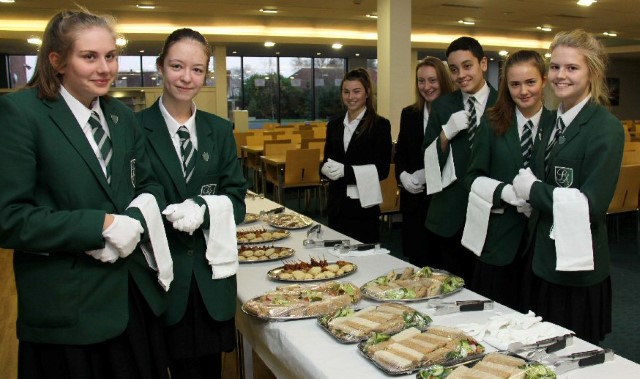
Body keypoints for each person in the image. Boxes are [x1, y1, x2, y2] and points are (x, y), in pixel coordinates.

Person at [0, 9, 170, 379]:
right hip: (69, 311)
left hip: (132, 298)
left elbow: (149, 186)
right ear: (57, 61)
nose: (105, 68)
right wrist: (100, 226)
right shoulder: (21, 113)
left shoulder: (122, 117)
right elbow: (9, 217)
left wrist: (133, 223)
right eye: (89, 57)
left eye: (110, 56)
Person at [136, 28, 247, 379]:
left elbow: (237, 201)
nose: (186, 78)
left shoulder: (218, 129)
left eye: (197, 69)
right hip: (160, 281)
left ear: (206, 74)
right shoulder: (134, 128)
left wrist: (204, 208)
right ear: (160, 67)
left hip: (210, 282)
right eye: (177, 66)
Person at [512, 29, 623, 343]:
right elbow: (537, 173)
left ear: (592, 73)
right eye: (556, 67)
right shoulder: (551, 119)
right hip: (541, 257)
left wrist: (532, 190)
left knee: (571, 354)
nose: (560, 75)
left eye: (572, 68)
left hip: (577, 268)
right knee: (538, 349)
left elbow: (591, 205)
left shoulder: (605, 128)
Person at [464, 50, 553, 311]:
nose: (523, 91)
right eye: (515, 84)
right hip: (499, 241)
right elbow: (471, 177)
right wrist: (506, 192)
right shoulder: (491, 123)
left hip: (541, 245)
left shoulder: (556, 125)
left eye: (530, 82)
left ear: (544, 81)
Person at [421, 37, 498, 285]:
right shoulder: (443, 105)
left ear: (483, 63)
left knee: (486, 290)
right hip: (450, 213)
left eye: (467, 66)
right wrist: (445, 134)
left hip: (490, 214)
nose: (460, 75)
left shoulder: (504, 104)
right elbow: (428, 158)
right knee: (449, 289)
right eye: (453, 69)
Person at [395, 57, 454, 267]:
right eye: (421, 81)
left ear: (443, 81)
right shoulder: (410, 114)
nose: (426, 87)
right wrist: (403, 176)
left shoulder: (455, 114)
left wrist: (427, 173)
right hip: (415, 205)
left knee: (445, 268)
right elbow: (400, 154)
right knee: (417, 266)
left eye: (432, 80)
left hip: (444, 204)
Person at [322, 68, 392, 244]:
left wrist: (345, 172)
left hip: (363, 209)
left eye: (356, 91)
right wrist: (324, 169)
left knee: (365, 260)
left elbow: (382, 170)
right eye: (346, 92)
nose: (351, 97)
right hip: (336, 206)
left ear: (367, 92)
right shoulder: (334, 125)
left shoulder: (380, 125)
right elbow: (326, 160)